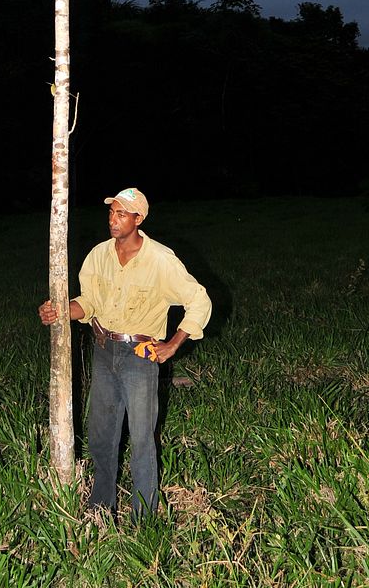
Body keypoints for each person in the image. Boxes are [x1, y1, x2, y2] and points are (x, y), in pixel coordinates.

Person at [38, 187, 211, 518]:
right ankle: (101, 507)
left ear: (138, 219)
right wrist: (62, 309)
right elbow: (89, 302)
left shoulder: (160, 260)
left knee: (143, 440)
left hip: (139, 357)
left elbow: (199, 300)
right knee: (101, 434)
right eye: (111, 213)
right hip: (104, 351)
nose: (113, 220)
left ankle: (144, 518)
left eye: (121, 214)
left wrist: (173, 344)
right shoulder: (99, 255)